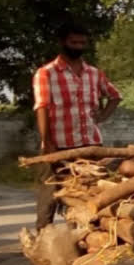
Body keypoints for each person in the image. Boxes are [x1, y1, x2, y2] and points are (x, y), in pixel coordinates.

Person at [32, 21, 122, 230]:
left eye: (82, 42)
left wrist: (101, 117)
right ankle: (44, 239)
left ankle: (83, 239)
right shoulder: (46, 73)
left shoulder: (93, 73)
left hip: (89, 144)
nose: (78, 46)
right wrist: (47, 142)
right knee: (50, 194)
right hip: (58, 144)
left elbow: (115, 96)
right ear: (63, 42)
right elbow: (42, 107)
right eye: (74, 42)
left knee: (86, 194)